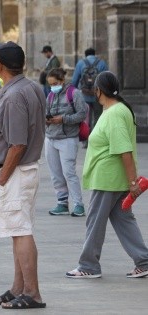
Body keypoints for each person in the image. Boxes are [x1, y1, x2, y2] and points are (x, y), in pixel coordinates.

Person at [65, 71, 148, 279]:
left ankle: (88, 265)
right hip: (113, 178)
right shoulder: (117, 110)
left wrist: (133, 182)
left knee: (95, 221)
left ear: (99, 90)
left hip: (109, 179)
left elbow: (124, 150)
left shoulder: (114, 113)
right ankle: (144, 261)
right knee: (124, 220)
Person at [0, 41, 47, 309]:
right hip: (21, 171)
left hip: (14, 172)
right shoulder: (31, 87)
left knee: (21, 231)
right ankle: (18, 287)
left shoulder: (13, 96)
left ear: (0, 65)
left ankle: (32, 292)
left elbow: (17, 143)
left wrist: (2, 176)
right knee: (18, 230)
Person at [44, 68, 87, 216]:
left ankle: (78, 204)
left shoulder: (74, 93)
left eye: (55, 83)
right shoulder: (50, 96)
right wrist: (47, 120)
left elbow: (82, 114)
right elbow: (45, 112)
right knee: (55, 173)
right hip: (51, 138)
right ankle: (62, 203)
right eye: (50, 84)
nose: (53, 87)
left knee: (69, 172)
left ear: (62, 81)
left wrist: (63, 119)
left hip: (68, 138)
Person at [71, 48, 108, 136]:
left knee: (85, 118)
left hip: (84, 95)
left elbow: (75, 80)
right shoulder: (102, 63)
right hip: (98, 96)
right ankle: (96, 138)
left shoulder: (80, 63)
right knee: (98, 117)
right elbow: (106, 78)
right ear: (94, 54)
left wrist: (72, 93)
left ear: (85, 55)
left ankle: (85, 139)